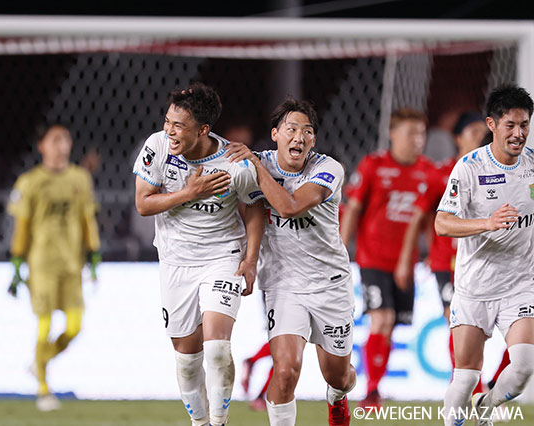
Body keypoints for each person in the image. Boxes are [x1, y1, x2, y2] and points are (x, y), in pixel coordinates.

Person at [132, 82, 265, 426]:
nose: (170, 131)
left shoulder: (234, 164)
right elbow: (143, 204)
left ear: (203, 130)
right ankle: (201, 422)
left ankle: (219, 422)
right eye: (168, 122)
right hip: (175, 261)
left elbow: (254, 209)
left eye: (179, 126)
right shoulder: (157, 147)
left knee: (218, 349)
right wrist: (189, 193)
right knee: (187, 361)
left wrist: (250, 260)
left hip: (222, 256)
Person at [226, 97, 356, 426]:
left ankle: (338, 397)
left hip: (330, 285)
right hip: (283, 283)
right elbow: (252, 207)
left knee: (339, 376)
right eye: (292, 129)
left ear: (313, 140)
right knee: (284, 372)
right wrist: (250, 260)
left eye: (307, 131)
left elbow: (290, 206)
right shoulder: (257, 164)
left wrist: (257, 168)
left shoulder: (328, 169)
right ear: (275, 134)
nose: (299, 137)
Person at [436, 85, 534, 426]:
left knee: (523, 368)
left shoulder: (533, 165)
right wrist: (487, 223)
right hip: (474, 287)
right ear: (492, 124)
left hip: (520, 285)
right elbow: (442, 224)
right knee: (465, 377)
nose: (518, 133)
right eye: (511, 125)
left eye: (524, 125)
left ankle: (486, 406)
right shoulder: (468, 168)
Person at [340, 107, 435, 408]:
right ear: (393, 134)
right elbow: (353, 208)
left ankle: (375, 387)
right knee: (382, 319)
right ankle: (370, 390)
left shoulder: (428, 171)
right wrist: (340, 250)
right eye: (411, 133)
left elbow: (431, 217)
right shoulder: (374, 165)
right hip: (372, 259)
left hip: (405, 264)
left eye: (421, 133)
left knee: (391, 326)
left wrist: (433, 252)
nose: (417, 139)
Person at [6, 124, 101, 411]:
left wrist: (93, 253)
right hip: (42, 263)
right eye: (55, 139)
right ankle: (43, 389)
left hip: (72, 263)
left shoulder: (80, 178)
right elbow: (22, 225)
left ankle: (40, 362)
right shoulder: (30, 182)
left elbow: (87, 219)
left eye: (65, 139)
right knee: (44, 323)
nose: (62, 145)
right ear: (42, 146)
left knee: (74, 327)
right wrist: (17, 261)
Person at [395, 111, 487, 385]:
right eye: (473, 132)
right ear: (458, 138)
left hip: (482, 260)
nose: (481, 137)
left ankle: (486, 383)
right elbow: (420, 215)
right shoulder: (441, 174)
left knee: (484, 326)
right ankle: (466, 385)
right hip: (447, 262)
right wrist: (410, 257)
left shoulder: (492, 172)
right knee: (456, 320)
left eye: (483, 132)